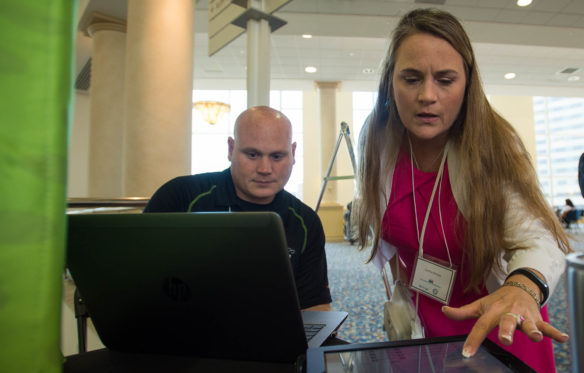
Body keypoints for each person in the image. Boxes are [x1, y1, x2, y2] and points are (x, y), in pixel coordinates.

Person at [355, 8, 571, 372]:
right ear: (390, 82)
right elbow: (389, 232)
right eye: (411, 78)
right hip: (428, 328)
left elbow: (538, 237)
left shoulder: (494, 145)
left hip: (501, 324)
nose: (427, 95)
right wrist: (401, 295)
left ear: (467, 85)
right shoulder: (378, 140)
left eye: (445, 79)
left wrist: (525, 287)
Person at [144, 106, 332, 311]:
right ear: (231, 149)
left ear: (293, 153)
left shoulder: (305, 221)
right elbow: (139, 282)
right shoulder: (180, 197)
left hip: (272, 335)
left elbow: (315, 303)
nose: (265, 169)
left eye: (277, 157)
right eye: (252, 155)